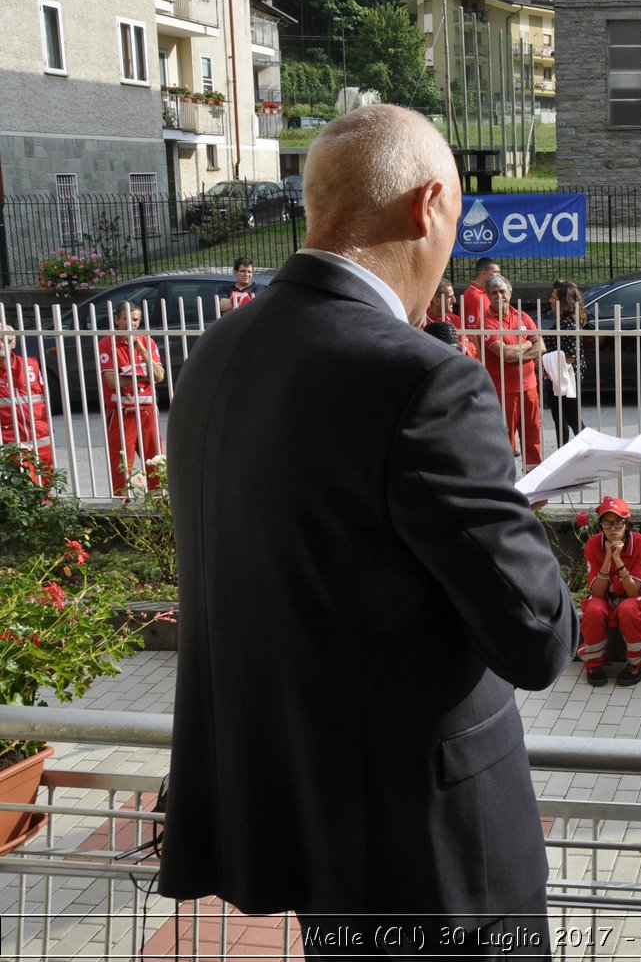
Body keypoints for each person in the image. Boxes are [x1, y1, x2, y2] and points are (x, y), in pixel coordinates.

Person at [159, 104, 577, 955]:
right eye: (456, 223)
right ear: (427, 208)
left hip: (309, 831)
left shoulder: (217, 351)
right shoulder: (425, 381)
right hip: (434, 859)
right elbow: (539, 637)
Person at [578, 495, 641, 687]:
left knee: (628, 609)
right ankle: (594, 663)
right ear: (601, 526)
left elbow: (632, 592)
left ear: (627, 524)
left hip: (634, 594)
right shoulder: (593, 544)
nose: (612, 529)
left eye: (618, 523)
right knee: (594, 609)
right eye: (607, 523)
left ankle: (638, 662)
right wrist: (607, 558)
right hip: (606, 594)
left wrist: (619, 560)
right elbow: (597, 593)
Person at [98, 302, 165, 497]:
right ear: (117, 320)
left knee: (155, 462)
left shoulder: (147, 341)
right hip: (121, 414)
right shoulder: (106, 343)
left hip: (147, 412)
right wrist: (145, 375)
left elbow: (159, 376)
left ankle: (158, 505)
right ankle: (122, 506)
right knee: (121, 466)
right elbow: (112, 381)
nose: (132, 324)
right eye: (127, 318)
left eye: (135, 319)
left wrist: (142, 350)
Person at [482, 274, 545, 465]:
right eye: (494, 293)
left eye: (502, 291)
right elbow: (506, 354)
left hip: (530, 389)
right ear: (488, 295)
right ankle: (506, 487)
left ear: (510, 293)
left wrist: (519, 352)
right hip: (504, 391)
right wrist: (526, 343)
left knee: (533, 438)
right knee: (505, 442)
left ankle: (534, 484)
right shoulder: (486, 322)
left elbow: (541, 346)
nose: (498, 296)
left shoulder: (522, 316)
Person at [0, 325, 53, 471]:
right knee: (23, 489)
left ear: (14, 343)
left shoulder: (32, 364)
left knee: (45, 488)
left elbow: (44, 399)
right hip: (11, 443)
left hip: (41, 439)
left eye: (6, 339)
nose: (1, 344)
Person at [543, 280, 585, 447]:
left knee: (571, 419)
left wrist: (545, 360)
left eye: (553, 297)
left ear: (563, 301)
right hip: (559, 376)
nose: (550, 300)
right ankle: (563, 453)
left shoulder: (568, 323)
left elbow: (571, 356)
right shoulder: (562, 321)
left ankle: (589, 450)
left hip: (567, 378)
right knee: (560, 418)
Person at [459, 256, 499, 337]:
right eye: (496, 272)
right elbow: (473, 330)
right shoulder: (475, 296)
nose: (499, 275)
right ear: (484, 274)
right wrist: (478, 350)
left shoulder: (483, 292)